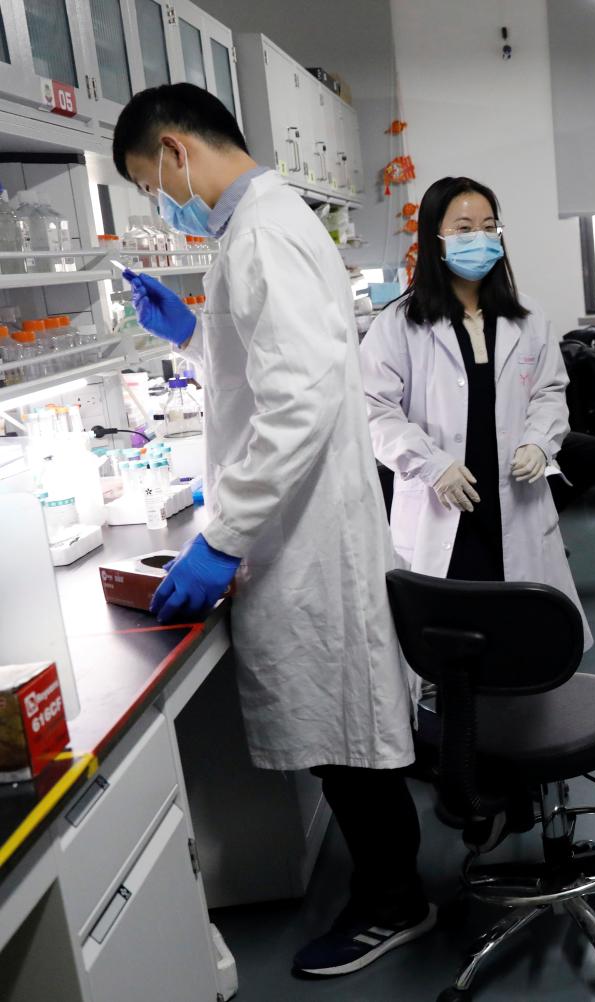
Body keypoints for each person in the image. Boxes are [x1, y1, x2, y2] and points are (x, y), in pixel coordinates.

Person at [112, 84, 432, 975]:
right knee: (338, 735)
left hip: (305, 534)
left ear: (176, 150)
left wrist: (223, 536)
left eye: (150, 183)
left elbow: (295, 401)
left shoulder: (259, 232)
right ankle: (388, 887)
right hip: (299, 525)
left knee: (346, 739)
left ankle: (395, 902)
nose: (159, 203)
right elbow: (269, 366)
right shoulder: (259, 226)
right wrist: (191, 336)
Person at [359, 177, 591, 646]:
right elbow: (374, 412)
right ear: (434, 238)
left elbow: (550, 391)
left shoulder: (526, 316)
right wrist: (432, 465)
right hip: (442, 505)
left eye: (489, 227)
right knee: (452, 651)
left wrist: (538, 442)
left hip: (516, 502)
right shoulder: (399, 326)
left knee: (520, 642)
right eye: (464, 229)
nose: (480, 239)